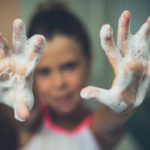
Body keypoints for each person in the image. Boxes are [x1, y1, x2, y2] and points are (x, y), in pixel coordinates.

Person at [0, 2, 150, 150]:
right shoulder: (31, 122)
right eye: (44, 71)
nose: (59, 83)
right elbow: (28, 112)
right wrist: (14, 85)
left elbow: (111, 119)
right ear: (31, 74)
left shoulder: (100, 130)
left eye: (69, 66)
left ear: (89, 63)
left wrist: (121, 104)